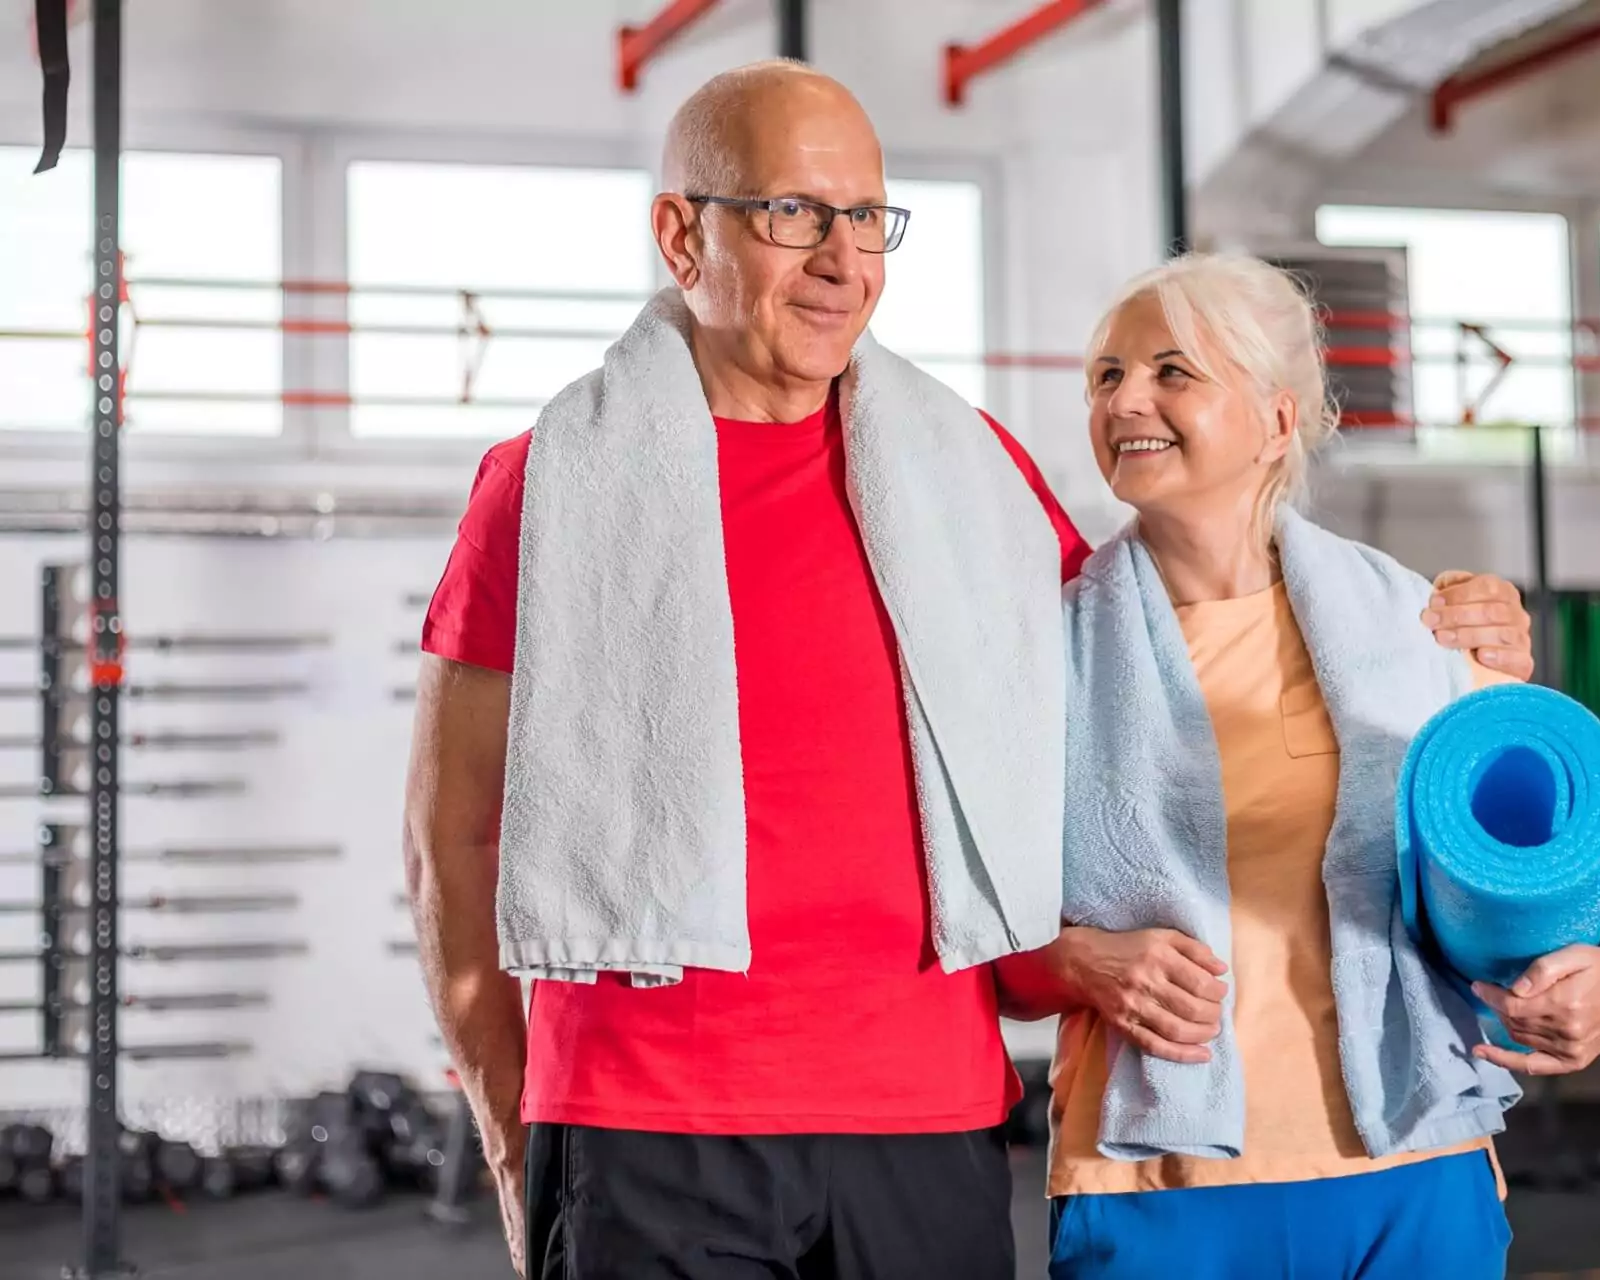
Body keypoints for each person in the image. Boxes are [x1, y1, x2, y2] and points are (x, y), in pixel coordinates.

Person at [402, 61, 1539, 1280]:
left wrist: (1439, 630)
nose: (844, 259)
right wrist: (514, 1144)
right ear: (683, 232)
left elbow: (1171, 640)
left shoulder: (971, 475)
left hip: (925, 1116)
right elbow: (449, 846)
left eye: (866, 219)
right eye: (795, 214)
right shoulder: (550, 485)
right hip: (650, 1113)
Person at [996, 253, 1600, 1280]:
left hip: (1411, 1164)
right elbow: (979, 929)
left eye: (1173, 371)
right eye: (1105, 374)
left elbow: (1595, 835)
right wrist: (1081, 959)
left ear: (1276, 419)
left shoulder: (1413, 620)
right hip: (1161, 1182)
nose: (1126, 398)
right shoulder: (1045, 652)